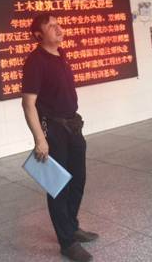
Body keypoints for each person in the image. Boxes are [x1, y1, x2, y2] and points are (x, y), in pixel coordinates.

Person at [22, 13, 98, 262]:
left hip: (72, 126)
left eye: (58, 24)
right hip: (53, 130)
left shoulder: (61, 54)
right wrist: (39, 139)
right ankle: (67, 242)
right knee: (58, 186)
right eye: (51, 26)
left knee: (78, 180)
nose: (58, 29)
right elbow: (28, 104)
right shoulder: (35, 61)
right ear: (38, 35)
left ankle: (72, 226)